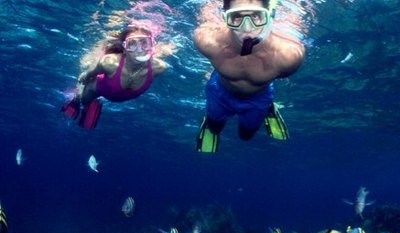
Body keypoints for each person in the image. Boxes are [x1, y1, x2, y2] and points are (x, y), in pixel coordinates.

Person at [193, 0, 305, 152]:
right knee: (214, 126)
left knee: (246, 134)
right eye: (237, 17)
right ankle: (212, 123)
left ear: (269, 16)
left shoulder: (287, 56)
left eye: (257, 16)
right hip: (219, 92)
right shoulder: (208, 42)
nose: (247, 28)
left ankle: (269, 108)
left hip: (258, 98)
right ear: (226, 18)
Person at [61, 23, 168, 129]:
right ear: (124, 48)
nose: (139, 49)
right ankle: (77, 101)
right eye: (132, 44)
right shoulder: (109, 63)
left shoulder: (159, 68)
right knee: (84, 101)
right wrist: (81, 85)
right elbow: (88, 76)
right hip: (97, 89)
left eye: (144, 43)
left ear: (152, 46)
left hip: (117, 94)